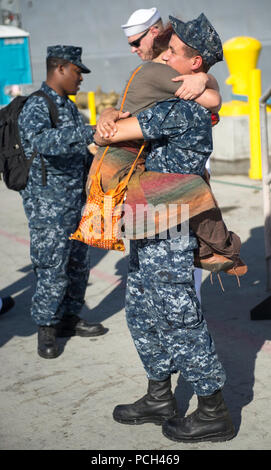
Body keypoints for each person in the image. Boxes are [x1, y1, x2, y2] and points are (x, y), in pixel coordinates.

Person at [94, 14, 236, 443]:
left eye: (172, 52)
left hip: (169, 222)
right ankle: (159, 395)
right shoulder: (172, 99)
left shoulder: (182, 111)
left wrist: (106, 122)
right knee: (140, 309)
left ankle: (213, 409)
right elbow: (122, 122)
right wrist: (107, 110)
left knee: (178, 314)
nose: (163, 56)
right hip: (144, 218)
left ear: (195, 64)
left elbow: (112, 136)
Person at [18, 45, 106, 360]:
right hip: (48, 205)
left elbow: (79, 148)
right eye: (77, 71)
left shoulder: (68, 107)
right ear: (60, 68)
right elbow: (42, 142)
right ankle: (46, 328)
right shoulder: (38, 106)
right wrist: (89, 132)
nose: (81, 78)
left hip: (75, 201)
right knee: (52, 266)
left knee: (78, 263)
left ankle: (70, 317)